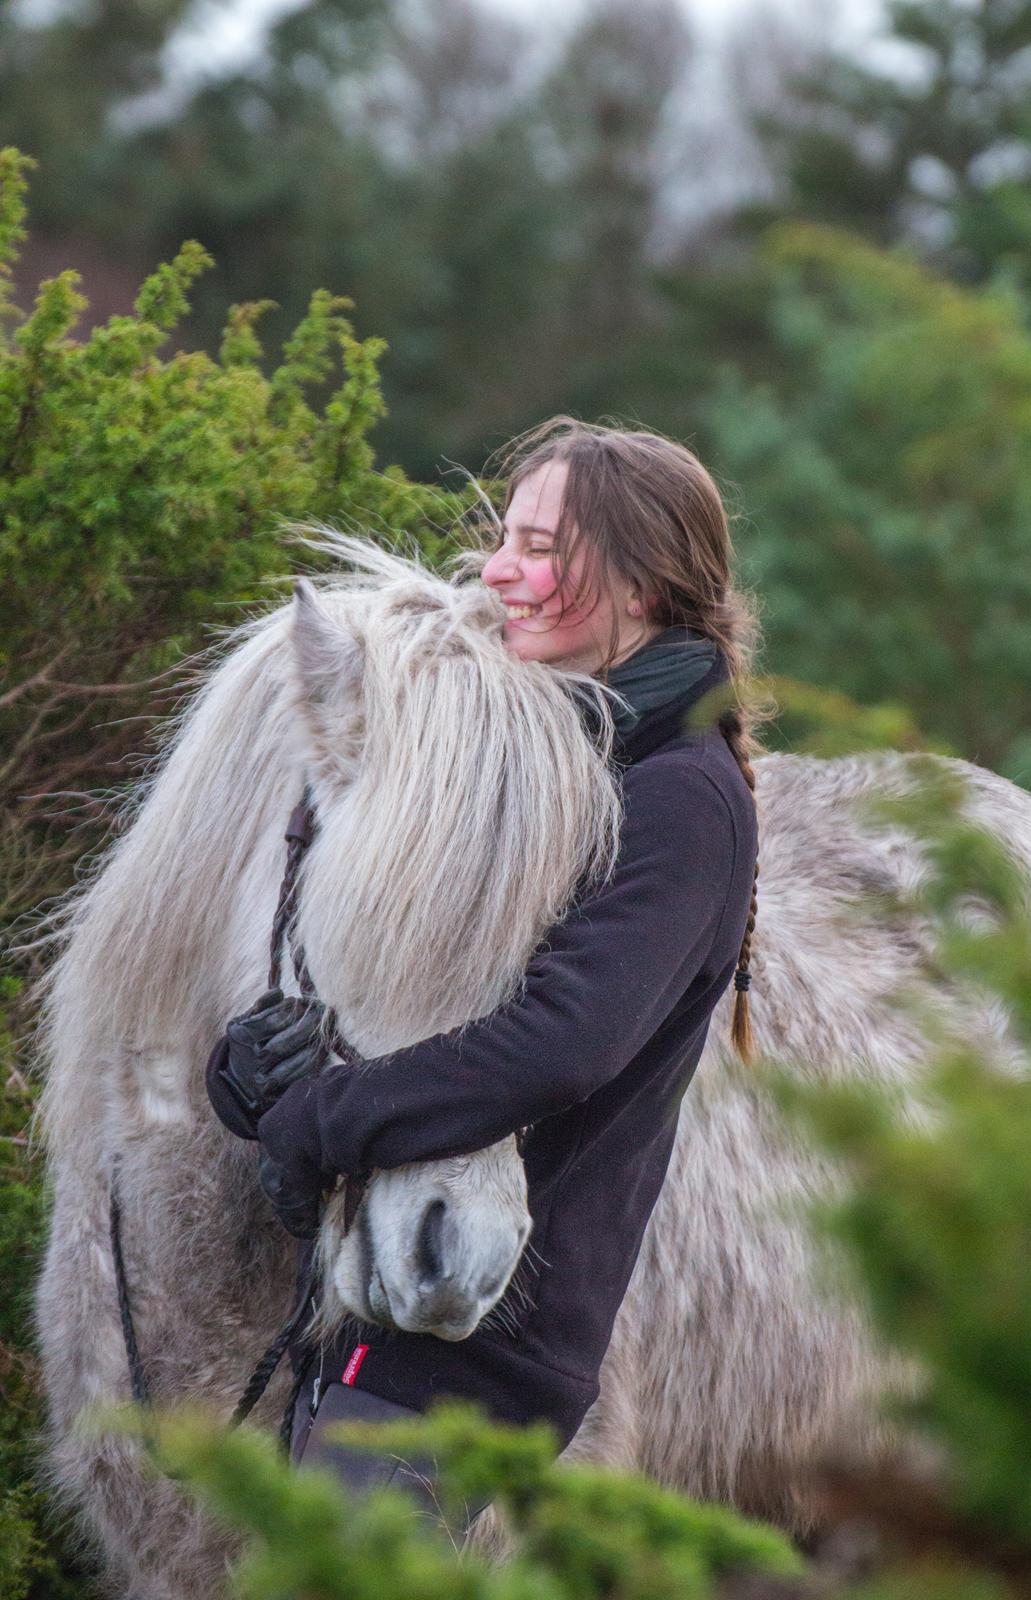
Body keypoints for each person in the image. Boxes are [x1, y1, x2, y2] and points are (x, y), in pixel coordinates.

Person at [205, 416, 764, 1535]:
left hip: (481, 1340)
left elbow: (559, 1042)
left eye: (539, 546)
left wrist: (314, 1123)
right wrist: (255, 1070)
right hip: (388, 1301)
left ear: (644, 584)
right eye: (504, 536)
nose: (497, 570)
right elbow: (416, 986)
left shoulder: (682, 796)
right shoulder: (554, 748)